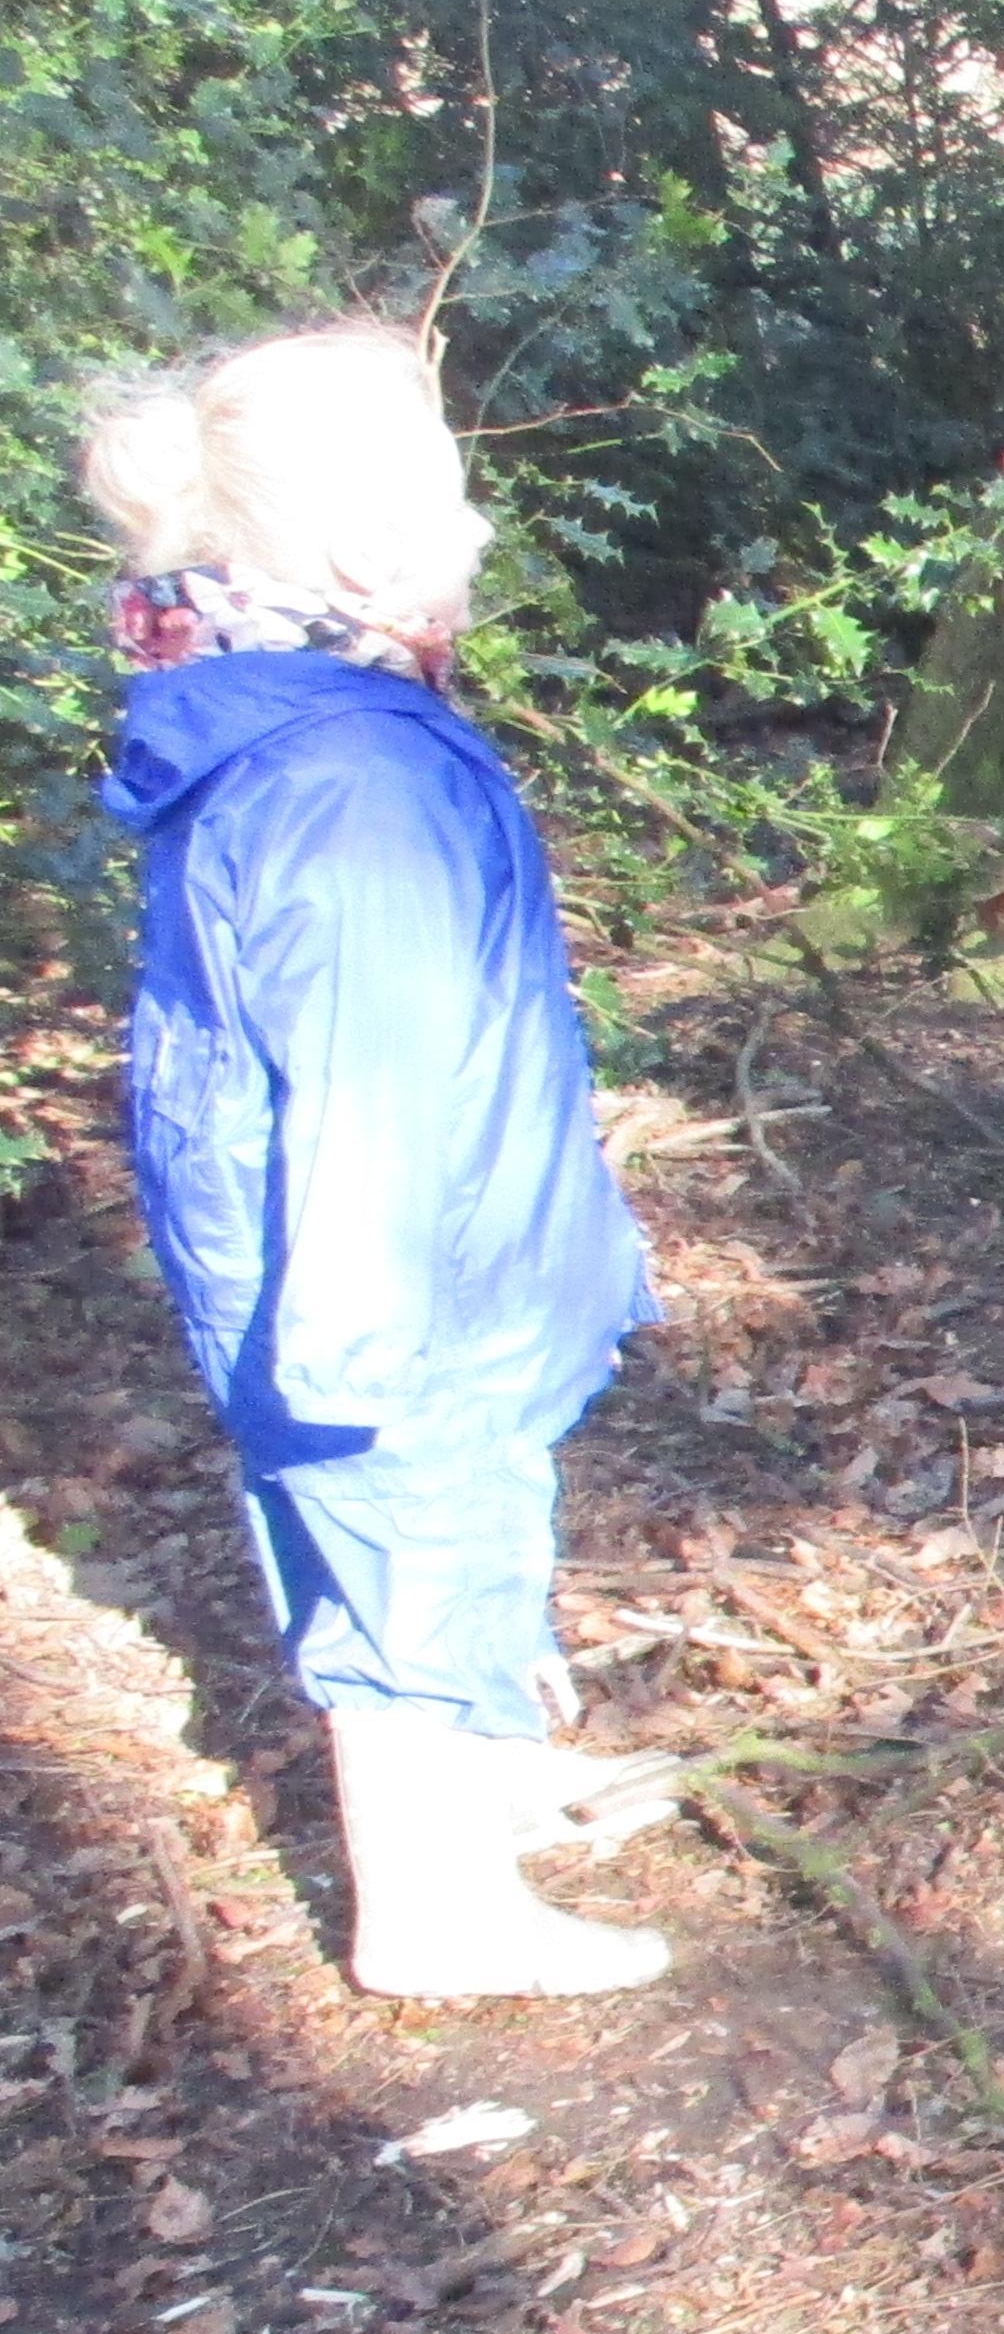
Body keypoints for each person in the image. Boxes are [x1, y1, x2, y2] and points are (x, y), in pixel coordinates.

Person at [85, 325, 677, 2002]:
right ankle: (432, 1909)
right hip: (390, 1267)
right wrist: (359, 1342)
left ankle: (475, 1782)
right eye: (454, 493)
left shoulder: (309, 717)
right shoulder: (348, 776)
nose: (480, 525)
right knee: (405, 1531)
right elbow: (363, 1077)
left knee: (463, 1504)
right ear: (364, 549)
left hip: (422, 1243)